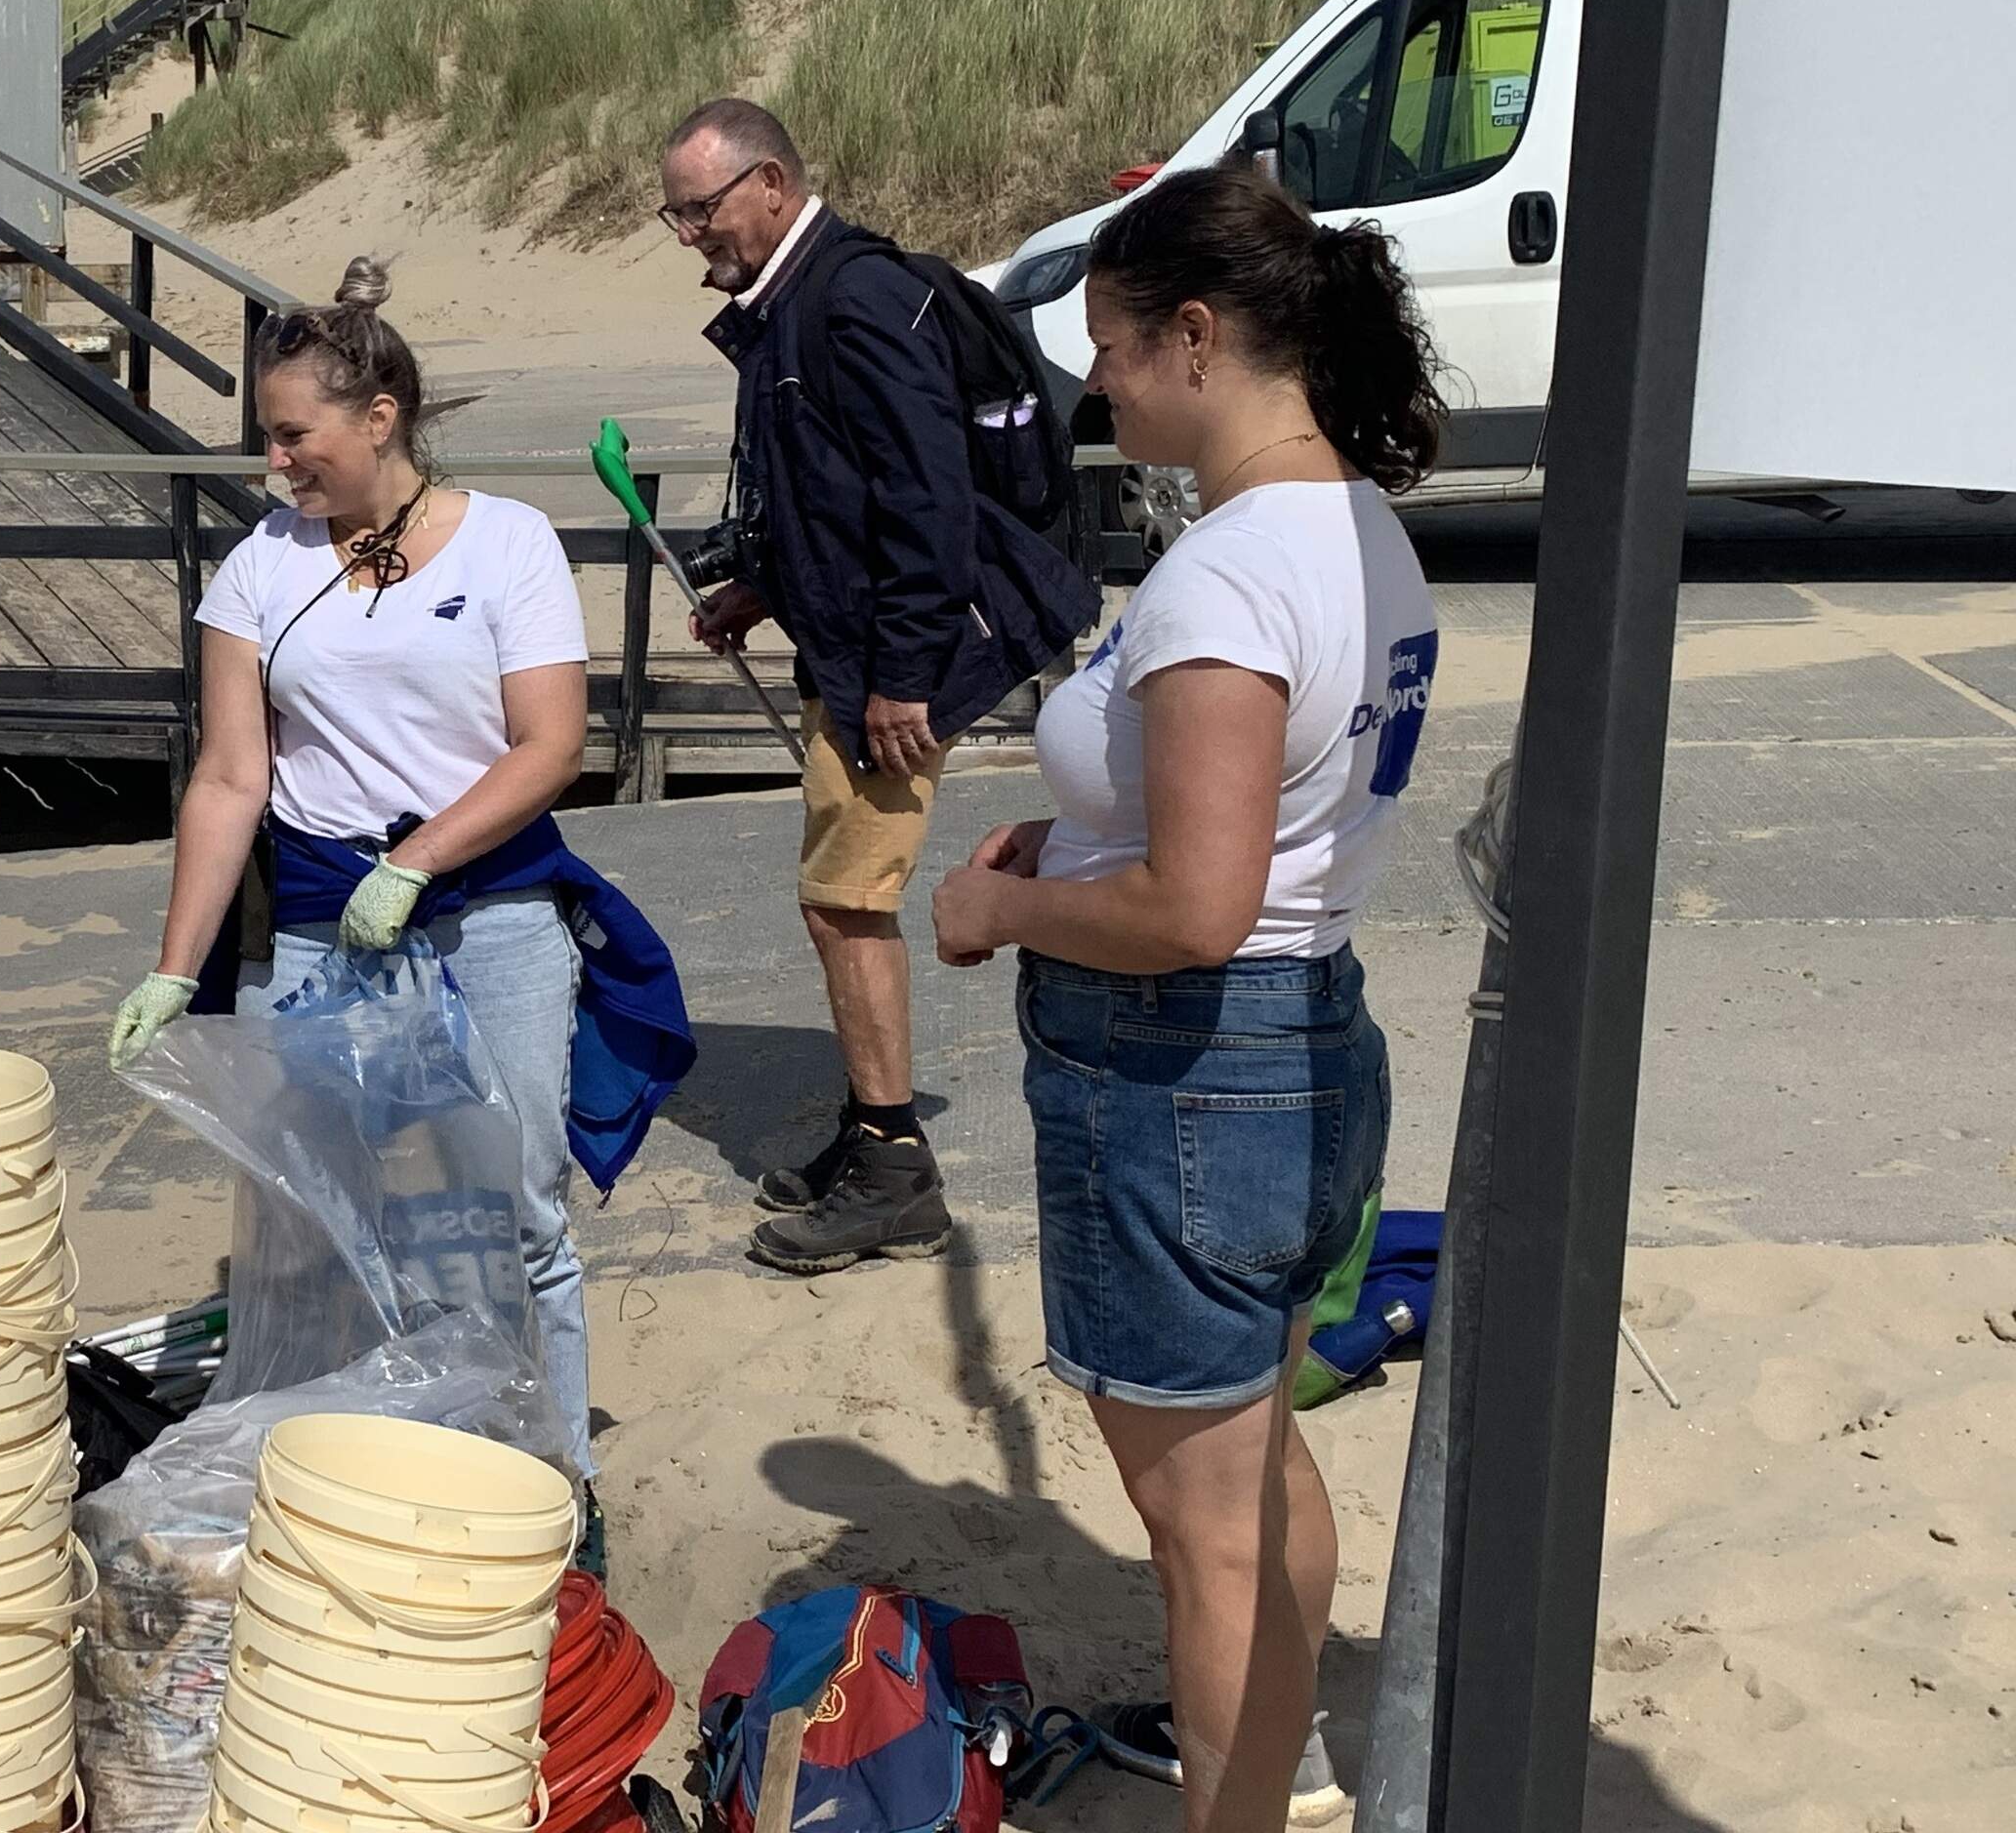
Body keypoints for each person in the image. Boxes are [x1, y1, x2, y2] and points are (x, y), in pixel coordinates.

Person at [929, 166, 1442, 1833]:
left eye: (1115, 352)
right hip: (1308, 1034)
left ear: (1199, 340)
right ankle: (1278, 1766)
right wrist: (1079, 839)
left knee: (1204, 1535)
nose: (1097, 384)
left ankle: (1237, 1799)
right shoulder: (1361, 526)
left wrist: (1005, 903)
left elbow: (1196, 907)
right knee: (1260, 1459)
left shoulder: (1227, 577)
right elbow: (1248, 828)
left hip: (1187, 1079)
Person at [106, 260, 683, 1535]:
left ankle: (551, 1484)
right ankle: (359, 1481)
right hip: (321, 924)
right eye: (267, 437)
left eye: (294, 435)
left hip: (492, 916)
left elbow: (549, 746)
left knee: (508, 1207)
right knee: (320, 1213)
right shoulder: (261, 565)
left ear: (379, 419)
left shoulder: (511, 544)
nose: (275, 464)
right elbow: (228, 773)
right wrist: (172, 963)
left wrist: (419, 858)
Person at [655, 97, 1097, 1276]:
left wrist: (905, 673)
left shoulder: (848, 299)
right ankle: (872, 1129)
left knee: (844, 902)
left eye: (701, 209)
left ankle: (897, 1168)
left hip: (890, 665)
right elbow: (829, 493)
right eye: (677, 214)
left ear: (772, 186)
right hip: (851, 645)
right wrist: (761, 584)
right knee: (837, 896)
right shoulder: (797, 303)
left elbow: (925, 497)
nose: (692, 233)